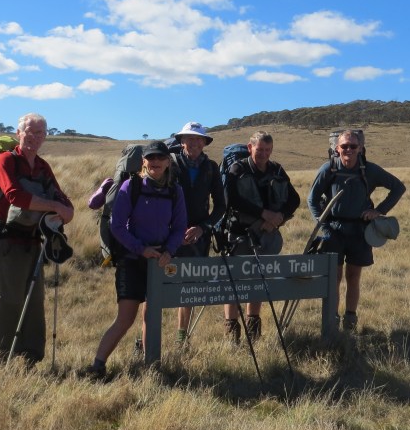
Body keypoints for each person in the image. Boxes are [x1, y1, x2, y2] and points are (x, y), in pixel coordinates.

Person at [86, 141, 187, 378]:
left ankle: (149, 367)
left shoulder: (175, 191)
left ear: (167, 162)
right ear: (144, 161)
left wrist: (168, 252)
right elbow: (117, 226)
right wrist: (141, 249)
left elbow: (180, 226)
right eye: (151, 159)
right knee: (125, 318)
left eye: (160, 158)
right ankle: (97, 366)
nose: (155, 163)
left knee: (152, 317)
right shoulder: (130, 187)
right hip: (132, 261)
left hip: (159, 262)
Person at [0, 113, 74, 366]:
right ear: (18, 133)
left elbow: (65, 204)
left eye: (40, 133)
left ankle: (31, 358)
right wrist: (54, 206)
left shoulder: (43, 167)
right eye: (29, 131)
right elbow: (15, 196)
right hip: (5, 242)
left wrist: (63, 209)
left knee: (34, 301)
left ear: (45, 136)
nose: (34, 137)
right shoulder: (6, 161)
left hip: (34, 242)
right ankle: (1, 357)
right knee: (7, 299)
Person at [307, 129, 405, 332]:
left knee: (353, 277)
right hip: (333, 230)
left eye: (353, 146)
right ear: (337, 148)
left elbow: (398, 187)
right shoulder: (328, 169)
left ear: (360, 148)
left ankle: (350, 322)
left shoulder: (369, 170)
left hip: (360, 230)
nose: (349, 150)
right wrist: (324, 226)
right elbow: (312, 200)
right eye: (344, 146)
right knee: (334, 278)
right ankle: (331, 323)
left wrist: (378, 211)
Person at [221, 131, 300, 344]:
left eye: (267, 150)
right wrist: (263, 214)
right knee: (235, 281)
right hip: (240, 235)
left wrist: (278, 217)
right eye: (259, 150)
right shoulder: (237, 169)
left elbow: (294, 199)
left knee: (259, 279)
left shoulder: (277, 170)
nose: (263, 154)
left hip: (268, 235)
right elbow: (232, 200)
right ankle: (231, 330)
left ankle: (253, 327)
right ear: (249, 148)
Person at [171, 121, 226, 346]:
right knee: (156, 285)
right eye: (189, 138)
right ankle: (146, 338)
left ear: (204, 143)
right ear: (182, 141)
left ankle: (181, 339)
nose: (193, 143)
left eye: (197, 139)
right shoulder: (171, 165)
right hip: (169, 235)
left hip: (198, 239)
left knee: (190, 288)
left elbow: (221, 206)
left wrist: (203, 228)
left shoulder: (211, 168)